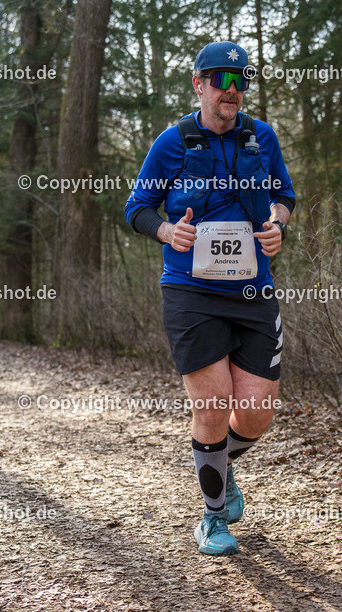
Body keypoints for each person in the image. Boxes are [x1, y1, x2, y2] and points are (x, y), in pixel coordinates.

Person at [124, 42, 295, 556]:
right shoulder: (173, 142)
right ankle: (213, 519)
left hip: (252, 290)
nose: (232, 88)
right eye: (221, 79)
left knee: (259, 410)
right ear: (198, 84)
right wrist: (165, 233)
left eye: (241, 79)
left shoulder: (261, 137)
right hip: (191, 292)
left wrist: (277, 227)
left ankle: (216, 464)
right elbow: (138, 207)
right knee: (214, 403)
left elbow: (284, 195)